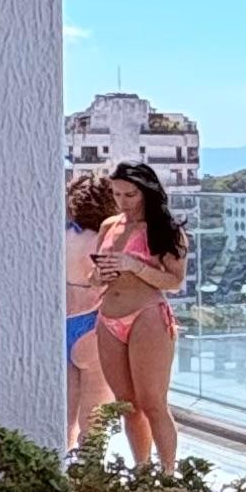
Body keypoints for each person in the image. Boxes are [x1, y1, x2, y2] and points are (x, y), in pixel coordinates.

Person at [95, 159, 188, 471]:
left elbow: (174, 281)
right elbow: (95, 277)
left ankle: (169, 475)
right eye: (117, 194)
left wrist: (135, 266)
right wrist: (100, 274)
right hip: (108, 315)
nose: (123, 202)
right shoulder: (109, 226)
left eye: (130, 195)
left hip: (147, 314)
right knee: (127, 404)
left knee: (153, 402)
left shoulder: (166, 231)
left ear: (146, 192)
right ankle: (142, 472)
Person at [64, 172, 117, 448]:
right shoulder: (106, 242)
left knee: (63, 420)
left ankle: (59, 467)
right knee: (94, 422)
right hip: (92, 326)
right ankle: (88, 470)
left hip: (61, 323)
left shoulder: (62, 236)